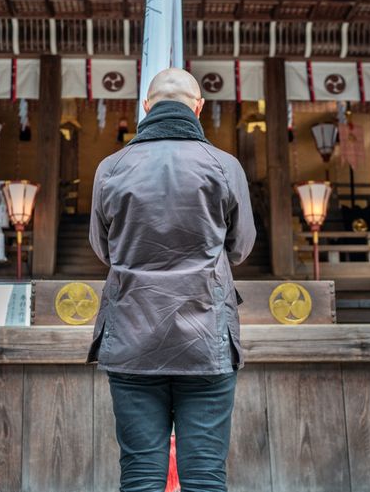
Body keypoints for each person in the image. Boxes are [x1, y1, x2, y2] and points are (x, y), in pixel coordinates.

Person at [87, 68, 256, 492]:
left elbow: (102, 249)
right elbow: (240, 247)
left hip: (131, 336)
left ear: (146, 108)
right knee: (204, 476)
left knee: (142, 474)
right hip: (205, 338)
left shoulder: (111, 167)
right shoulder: (224, 165)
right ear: (198, 107)